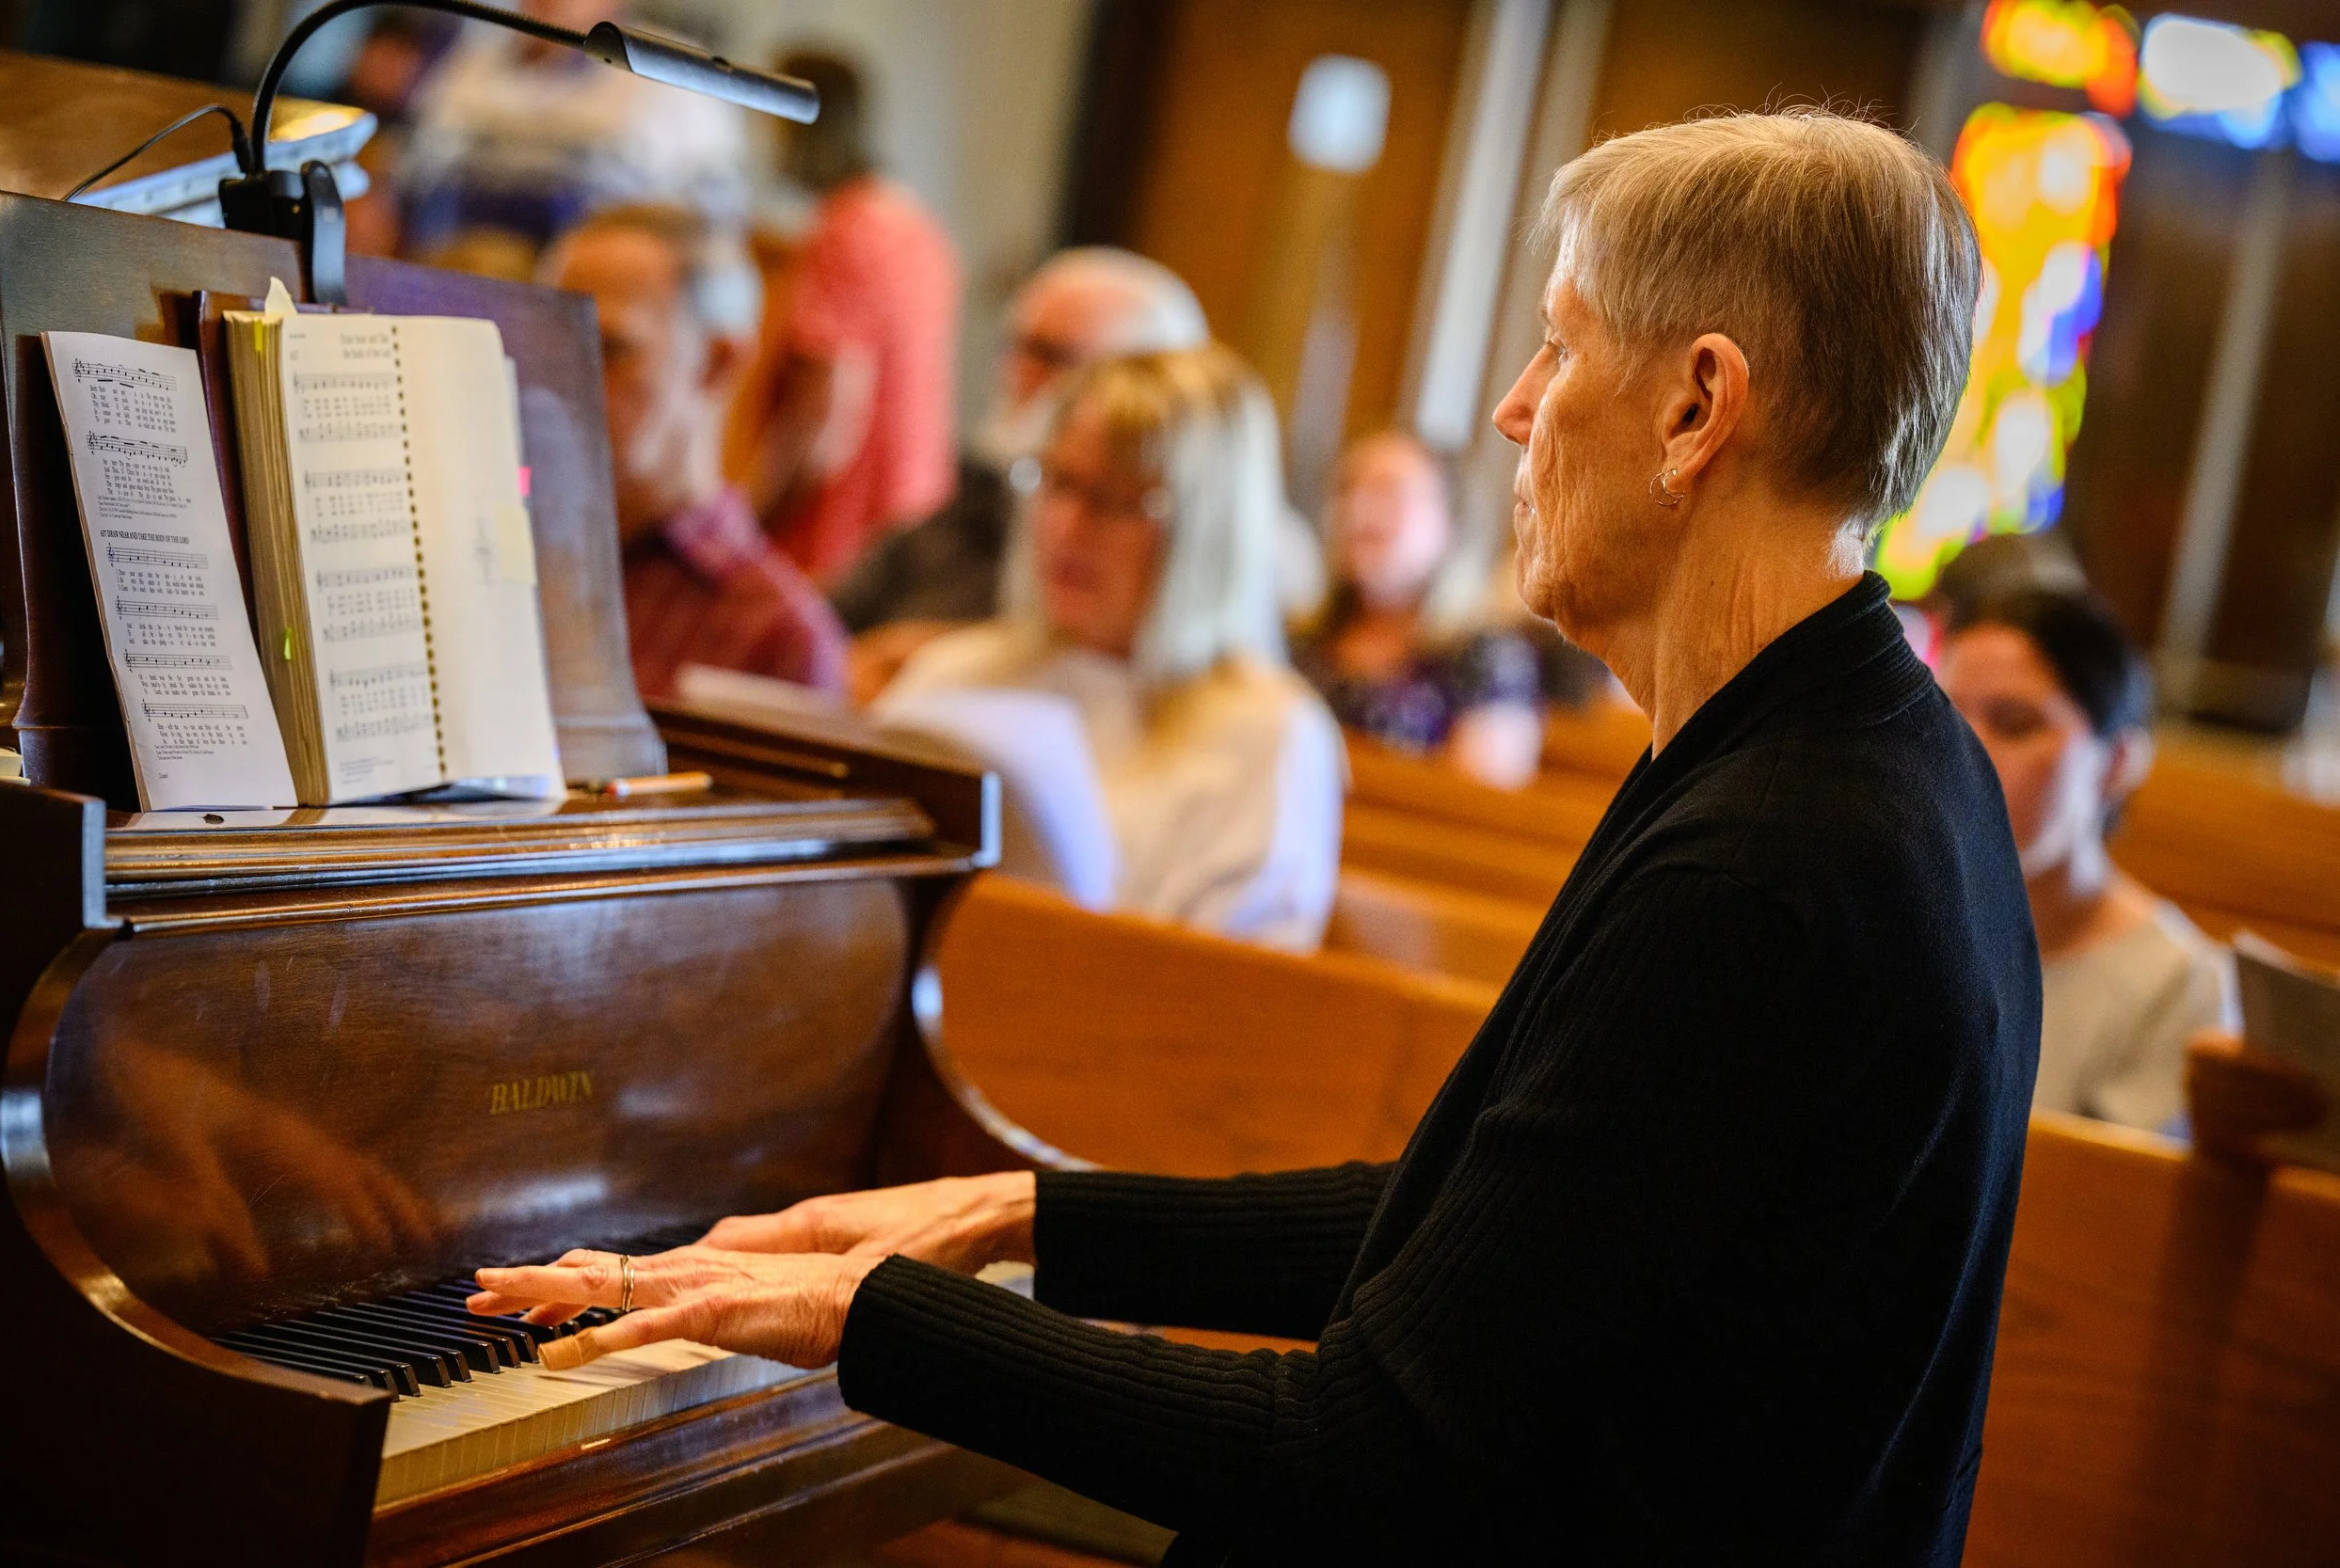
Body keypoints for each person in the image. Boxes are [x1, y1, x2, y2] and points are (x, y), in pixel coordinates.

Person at [473, 110, 2036, 1564]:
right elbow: (1488, 1234)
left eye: (1557, 346)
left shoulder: (1774, 864)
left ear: (1697, 408)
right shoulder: (1846, 757)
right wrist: (1011, 1213)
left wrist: (862, 1316)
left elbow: (1364, 1450)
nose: (1510, 407)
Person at [874, 345, 1342, 951]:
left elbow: (1230, 1001)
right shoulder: (953, 674)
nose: (1068, 527)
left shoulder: (1273, 734)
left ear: (1206, 528)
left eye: (1119, 501)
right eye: (1059, 482)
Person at [831, 246, 1211, 679]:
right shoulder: (976, 490)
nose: (1029, 376)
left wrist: (942, 659)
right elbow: (830, 627)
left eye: (1060, 359)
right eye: (1023, 349)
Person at [1938, 584, 2235, 1133]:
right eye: (1944, 718)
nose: (1963, 754)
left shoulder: (2177, 986)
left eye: (2015, 723)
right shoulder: (1905, 928)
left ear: (2117, 763)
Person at [539, 205, 846, 700]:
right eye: (547, 343)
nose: (555, 380)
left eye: (609, 349)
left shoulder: (777, 637)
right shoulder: (501, 561)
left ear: (717, 363)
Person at [737, 52, 960, 587]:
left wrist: (742, 521)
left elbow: (824, 423)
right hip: (912, 516)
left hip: (841, 536)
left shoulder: (845, 234)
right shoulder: (918, 226)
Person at [392, 0, 748, 261]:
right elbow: (415, 168)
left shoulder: (670, 72)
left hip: (597, 288)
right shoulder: (471, 62)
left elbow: (713, 223)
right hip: (453, 266)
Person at [1293, 430, 1543, 787]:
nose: (1358, 511)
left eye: (1388, 492)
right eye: (1346, 491)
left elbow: (1479, 813)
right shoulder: (1296, 640)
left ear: (1451, 523)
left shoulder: (1488, 661)